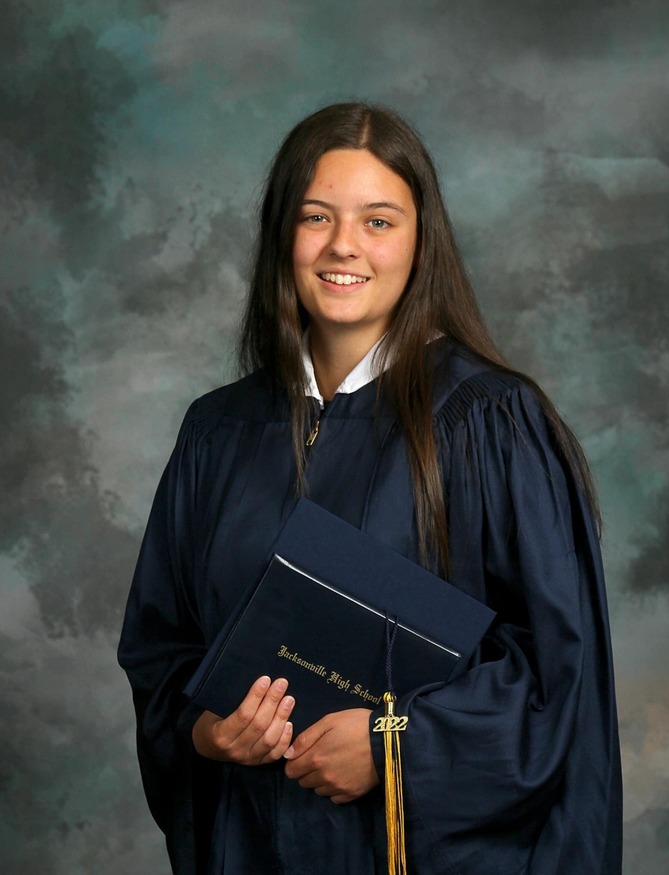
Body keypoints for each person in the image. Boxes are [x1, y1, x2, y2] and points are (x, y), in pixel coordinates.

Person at [118, 102, 622, 874]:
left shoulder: (489, 423)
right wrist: (207, 731)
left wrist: (396, 744)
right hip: (255, 847)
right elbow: (162, 651)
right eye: (316, 217)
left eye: (378, 221)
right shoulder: (218, 434)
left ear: (422, 242)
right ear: (282, 234)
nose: (343, 245)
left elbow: (560, 684)